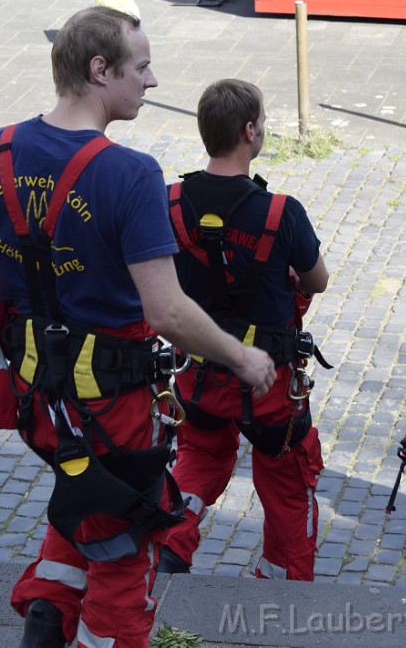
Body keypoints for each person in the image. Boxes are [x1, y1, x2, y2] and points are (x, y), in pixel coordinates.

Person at [0, 7, 276, 648]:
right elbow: (168, 312)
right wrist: (243, 359)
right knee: (128, 546)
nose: (152, 82)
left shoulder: (0, 147)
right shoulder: (129, 174)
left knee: (85, 494)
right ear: (101, 71)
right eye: (143, 66)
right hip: (114, 401)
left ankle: (47, 613)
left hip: (40, 392)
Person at [157, 78, 329, 581]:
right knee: (287, 481)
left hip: (200, 374)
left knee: (200, 456)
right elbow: (316, 279)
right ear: (250, 131)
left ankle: (170, 542)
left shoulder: (169, 202)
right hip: (268, 382)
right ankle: (280, 580)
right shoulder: (280, 212)